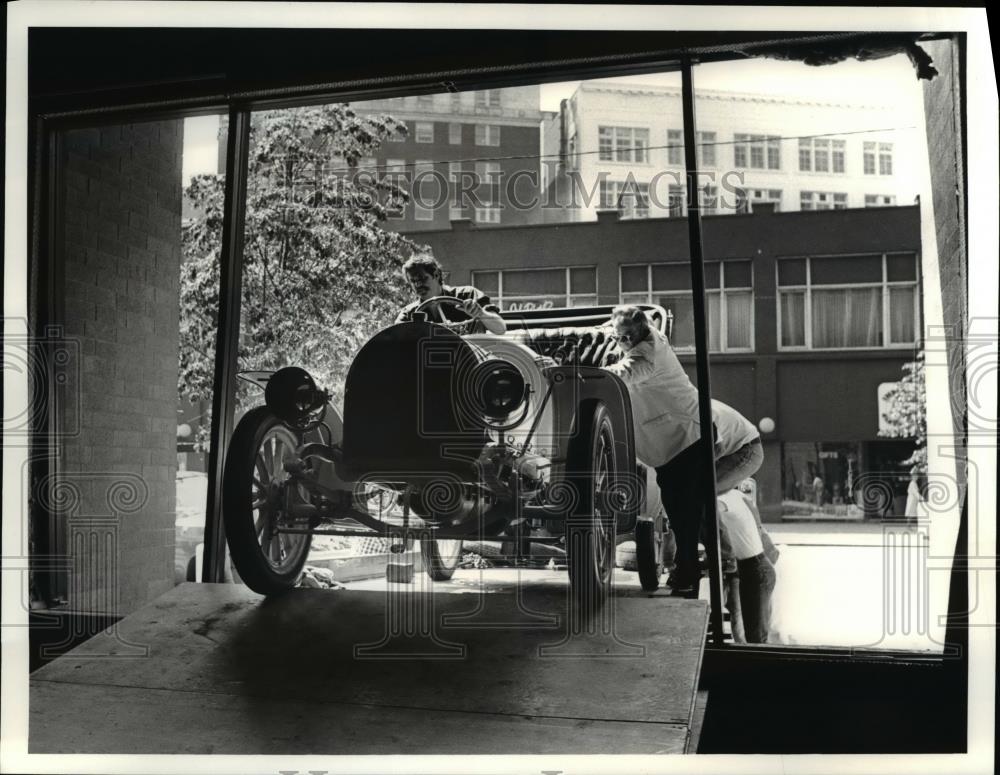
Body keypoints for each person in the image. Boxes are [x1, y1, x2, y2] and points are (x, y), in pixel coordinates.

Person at [602, 305, 704, 596]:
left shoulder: (647, 350)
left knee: (684, 510)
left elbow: (624, 373)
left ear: (640, 330)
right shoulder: (648, 337)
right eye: (617, 335)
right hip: (675, 439)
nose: (621, 340)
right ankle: (685, 572)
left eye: (625, 336)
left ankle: (687, 575)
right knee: (679, 508)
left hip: (683, 437)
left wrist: (585, 375)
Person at [717, 489, 776, 643]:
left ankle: (761, 665)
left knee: (756, 636)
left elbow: (712, 510)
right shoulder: (737, 495)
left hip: (756, 569)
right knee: (755, 634)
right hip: (752, 568)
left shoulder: (726, 498)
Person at [395, 252, 507, 335]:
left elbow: (501, 328)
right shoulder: (409, 313)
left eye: (423, 279)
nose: (418, 285)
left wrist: (481, 313)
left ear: (436, 275)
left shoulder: (468, 295)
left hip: (471, 362)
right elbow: (395, 341)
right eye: (413, 281)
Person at [712, 399, 763, 493]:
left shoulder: (692, 411)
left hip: (745, 450)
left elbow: (718, 449)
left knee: (701, 492)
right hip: (729, 445)